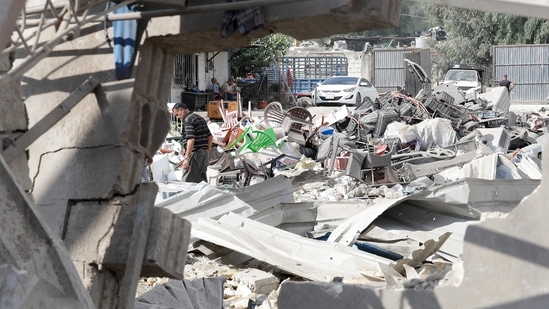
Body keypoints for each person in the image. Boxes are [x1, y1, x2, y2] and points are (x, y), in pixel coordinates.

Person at [172, 103, 213, 183]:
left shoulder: (187, 120)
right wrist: (207, 151)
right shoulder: (199, 118)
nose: (178, 117)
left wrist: (187, 158)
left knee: (187, 182)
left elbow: (191, 139)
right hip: (203, 154)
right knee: (201, 182)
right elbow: (210, 136)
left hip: (195, 154)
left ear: (182, 110)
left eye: (177, 114)